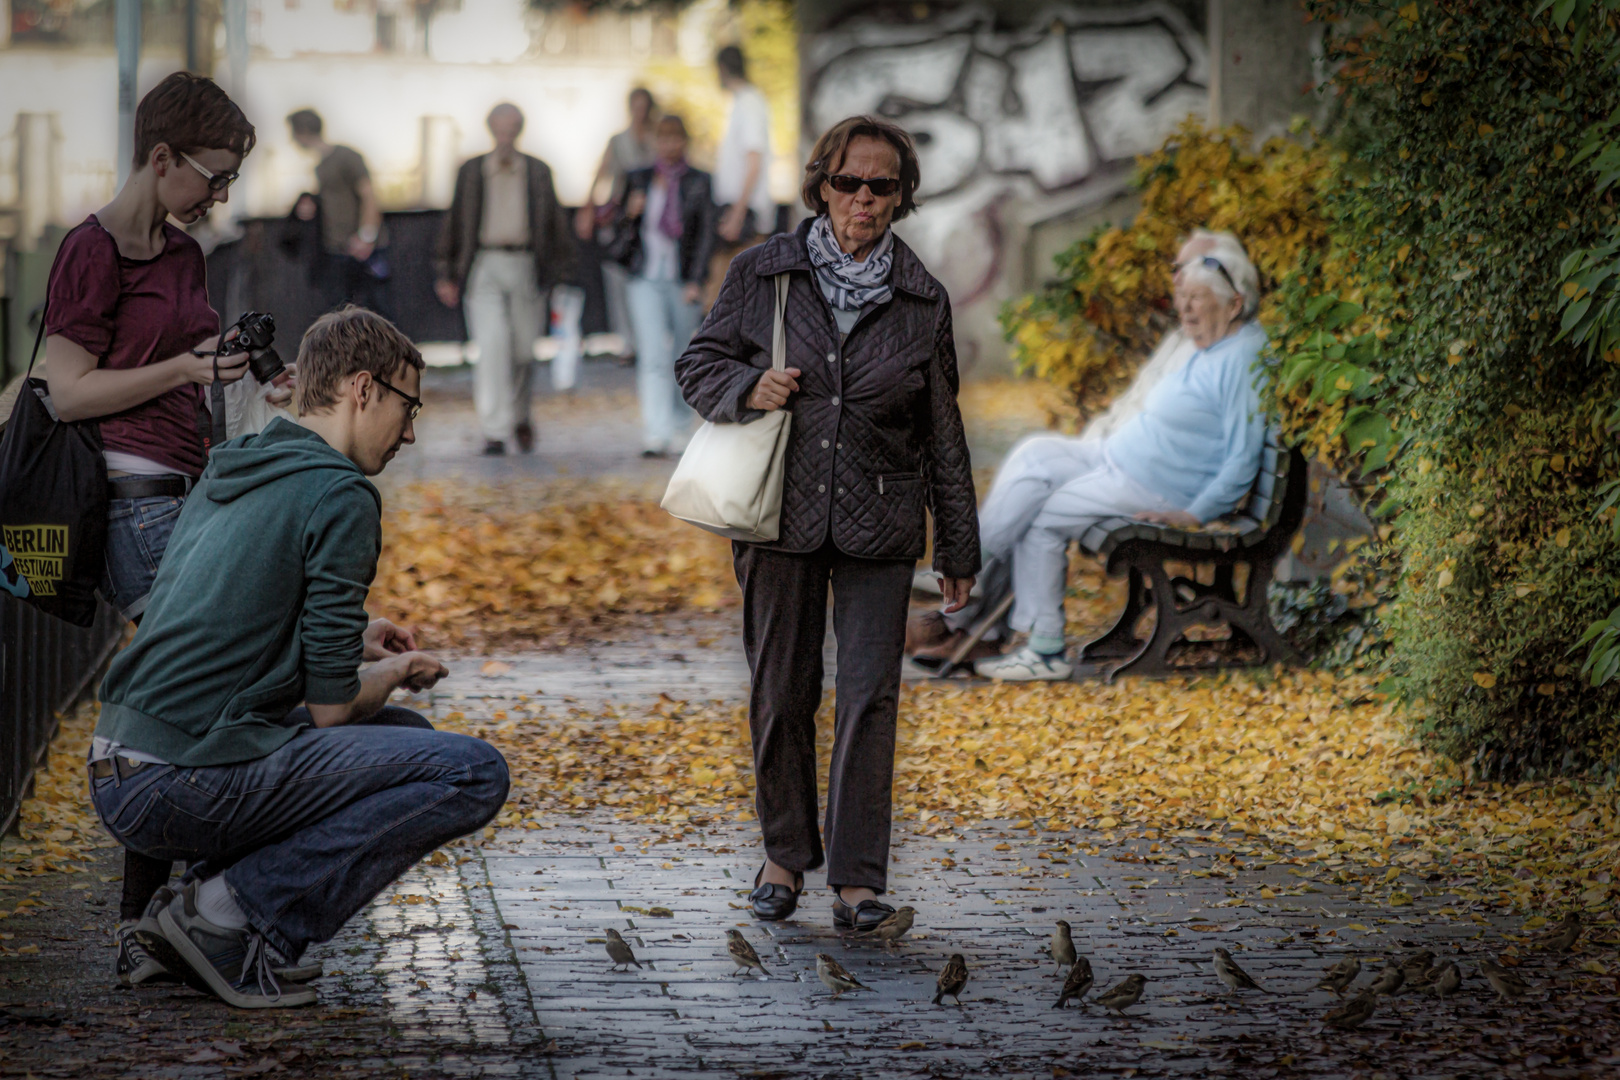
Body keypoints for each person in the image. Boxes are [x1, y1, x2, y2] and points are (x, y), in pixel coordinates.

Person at [90, 307, 510, 1009]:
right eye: (408, 408)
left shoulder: (240, 464)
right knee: (470, 774)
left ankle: (213, 924)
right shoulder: (343, 494)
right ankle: (225, 915)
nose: (409, 432)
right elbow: (332, 708)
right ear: (363, 389)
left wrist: (356, 638)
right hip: (180, 782)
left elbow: (232, 621)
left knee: (407, 742)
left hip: (122, 766)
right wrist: (394, 672)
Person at [676, 115, 979, 931]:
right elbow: (696, 363)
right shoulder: (765, 273)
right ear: (822, 186)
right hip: (781, 514)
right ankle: (784, 855)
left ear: (900, 198)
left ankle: (856, 880)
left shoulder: (921, 299)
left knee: (870, 695)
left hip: (882, 515)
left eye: (882, 187)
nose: (864, 200)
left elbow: (942, 428)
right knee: (782, 691)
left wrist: (957, 542)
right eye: (849, 183)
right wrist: (749, 386)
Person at [39, 70, 270, 989]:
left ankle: (160, 925)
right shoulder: (89, 253)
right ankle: (172, 921)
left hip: (196, 489)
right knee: (219, 678)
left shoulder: (183, 257)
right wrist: (182, 369)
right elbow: (66, 392)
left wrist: (239, 374)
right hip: (134, 505)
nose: (218, 197)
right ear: (159, 157)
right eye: (211, 177)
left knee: (196, 695)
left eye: (229, 183)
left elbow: (193, 367)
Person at [942, 230, 1267, 682]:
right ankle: (965, 563)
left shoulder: (1243, 356)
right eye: (1183, 297)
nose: (1185, 308)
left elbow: (1243, 456)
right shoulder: (1208, 346)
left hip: (1152, 485)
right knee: (1035, 453)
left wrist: (1195, 514)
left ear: (1234, 304)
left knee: (1047, 517)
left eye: (1198, 298)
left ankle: (1044, 649)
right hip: (1116, 459)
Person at [435, 103, 575, 456]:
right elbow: (454, 220)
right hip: (483, 263)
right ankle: (495, 429)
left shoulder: (538, 171)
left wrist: (559, 274)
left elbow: (555, 223)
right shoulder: (472, 171)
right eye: (500, 127)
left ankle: (520, 415)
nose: (506, 135)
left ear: (520, 129)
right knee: (493, 344)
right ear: (490, 129)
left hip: (527, 263)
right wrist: (446, 271)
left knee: (524, 349)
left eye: (512, 127)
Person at [611, 114, 716, 457]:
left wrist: (696, 280)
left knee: (682, 354)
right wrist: (630, 212)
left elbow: (704, 236)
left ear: (684, 142)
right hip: (645, 276)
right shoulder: (638, 178)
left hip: (681, 278)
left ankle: (680, 426)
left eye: (676, 139)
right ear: (655, 142)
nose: (670, 146)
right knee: (653, 354)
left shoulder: (700, 181)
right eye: (663, 139)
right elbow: (615, 225)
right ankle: (655, 432)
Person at [577, 88, 659, 362]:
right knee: (617, 277)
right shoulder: (618, 141)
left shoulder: (657, 139)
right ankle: (627, 341)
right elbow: (601, 173)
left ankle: (648, 338)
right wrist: (588, 209)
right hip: (621, 218)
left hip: (650, 220)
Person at [286, 109, 388, 316]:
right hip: (336, 249)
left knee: (373, 311)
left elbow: (369, 195)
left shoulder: (346, 157)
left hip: (360, 249)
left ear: (302, 132)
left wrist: (366, 236)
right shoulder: (321, 166)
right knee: (339, 314)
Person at [706, 44, 775, 305]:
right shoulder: (744, 102)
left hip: (746, 221)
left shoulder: (749, 103)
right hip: (738, 216)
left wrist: (736, 214)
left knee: (731, 303)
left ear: (722, 69)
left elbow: (753, 162)